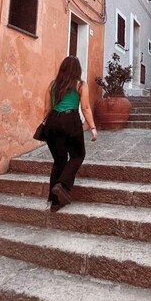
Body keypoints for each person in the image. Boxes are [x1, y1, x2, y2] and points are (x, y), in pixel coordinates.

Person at [45, 56, 97, 212]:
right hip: (70, 120)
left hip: (52, 121)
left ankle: (55, 203)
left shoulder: (53, 84)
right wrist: (93, 127)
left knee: (59, 161)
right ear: (77, 70)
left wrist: (45, 124)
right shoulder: (80, 85)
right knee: (78, 155)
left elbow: (47, 109)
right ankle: (62, 185)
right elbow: (85, 108)